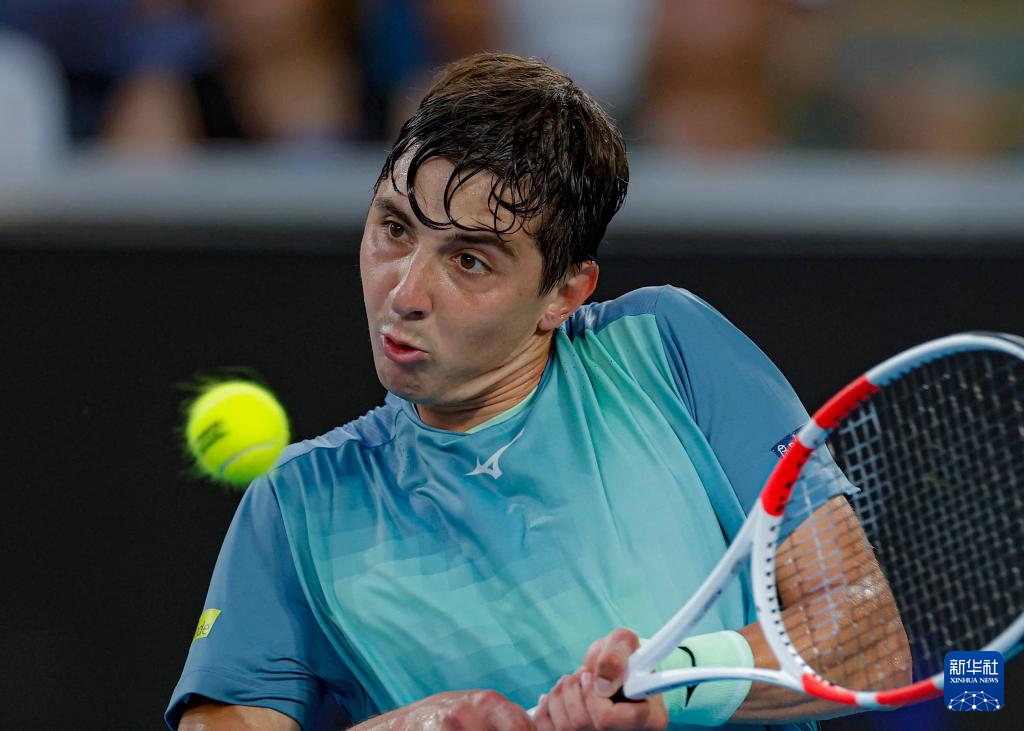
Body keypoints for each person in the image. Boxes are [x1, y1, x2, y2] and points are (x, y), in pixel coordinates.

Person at [167, 53, 900, 731]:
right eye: (394, 228)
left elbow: (869, 638)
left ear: (564, 294)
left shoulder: (665, 349)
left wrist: (666, 687)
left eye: (470, 261)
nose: (405, 293)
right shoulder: (297, 503)